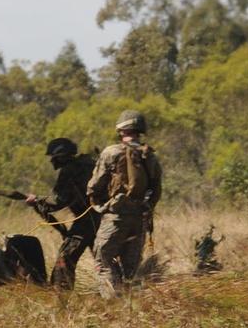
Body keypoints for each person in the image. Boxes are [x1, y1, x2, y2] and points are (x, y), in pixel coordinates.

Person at [87, 110, 162, 297]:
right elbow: (156, 190)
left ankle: (113, 304)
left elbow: (94, 186)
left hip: (115, 217)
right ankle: (131, 304)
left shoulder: (111, 152)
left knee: (104, 260)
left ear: (121, 130)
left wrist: (98, 201)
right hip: (139, 218)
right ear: (140, 130)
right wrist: (146, 208)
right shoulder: (150, 156)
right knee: (131, 268)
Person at [25, 137, 99, 290]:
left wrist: (37, 200)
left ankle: (61, 296)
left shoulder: (69, 169)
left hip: (86, 221)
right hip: (102, 218)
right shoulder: (88, 164)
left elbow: (59, 201)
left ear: (61, 156)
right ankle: (120, 289)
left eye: (53, 157)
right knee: (103, 260)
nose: (52, 161)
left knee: (65, 260)